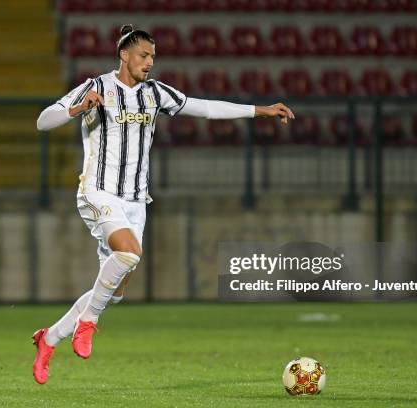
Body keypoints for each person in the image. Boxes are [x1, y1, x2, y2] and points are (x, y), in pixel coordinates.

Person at [32, 24, 294, 384]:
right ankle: (87, 324)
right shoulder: (97, 87)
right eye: (144, 55)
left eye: (153, 56)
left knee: (114, 293)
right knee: (129, 254)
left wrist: (260, 110)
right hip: (98, 192)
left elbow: (204, 108)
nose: (150, 62)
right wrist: (78, 108)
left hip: (136, 202)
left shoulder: (156, 93)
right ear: (124, 54)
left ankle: (48, 339)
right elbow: (43, 121)